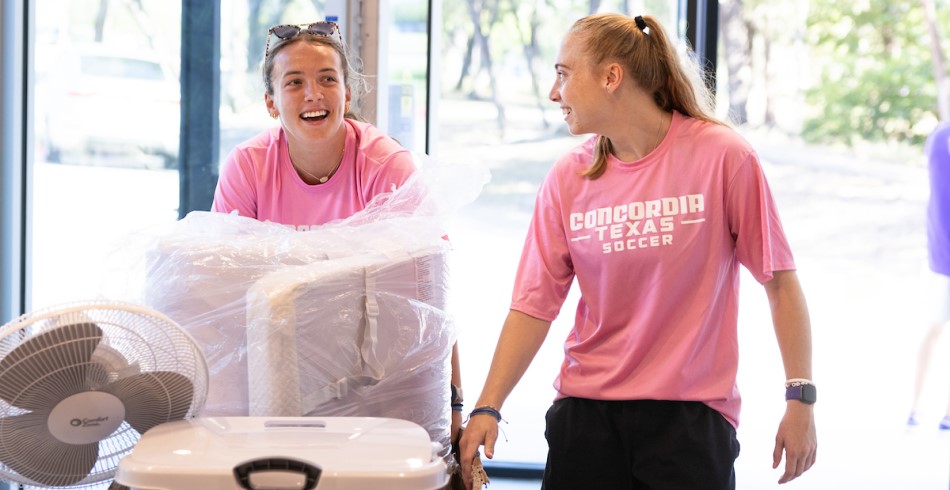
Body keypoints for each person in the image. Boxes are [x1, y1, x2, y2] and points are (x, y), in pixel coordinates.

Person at [458, 13, 817, 489]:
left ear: (611, 77)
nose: (553, 92)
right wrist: (488, 405)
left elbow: (781, 285)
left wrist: (800, 399)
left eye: (563, 74)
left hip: (690, 422)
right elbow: (532, 306)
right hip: (584, 419)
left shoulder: (724, 158)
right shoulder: (569, 177)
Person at [211, 21, 464, 449]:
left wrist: (455, 406)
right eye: (294, 83)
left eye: (328, 79)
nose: (313, 93)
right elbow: (221, 292)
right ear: (271, 103)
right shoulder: (248, 167)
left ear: (348, 93)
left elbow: (430, 299)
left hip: (375, 382)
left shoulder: (385, 166)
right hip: (273, 377)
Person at [908, 120, 950, 431]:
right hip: (942, 258)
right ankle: (922, 409)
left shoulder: (938, 136)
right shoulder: (940, 138)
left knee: (931, 331)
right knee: (932, 331)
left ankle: (918, 409)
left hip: (939, 256)